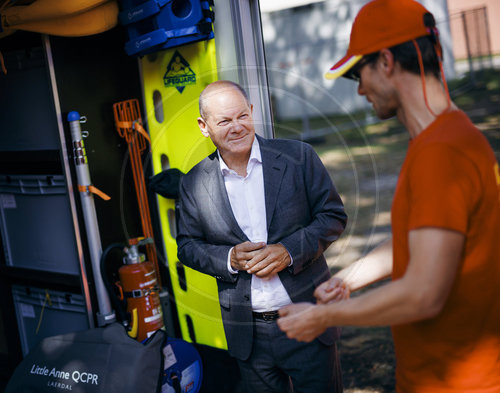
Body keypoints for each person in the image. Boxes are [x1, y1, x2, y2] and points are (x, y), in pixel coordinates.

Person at [277, 0, 500, 392]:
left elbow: (424, 293)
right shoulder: (446, 134)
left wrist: (324, 317)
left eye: (358, 74)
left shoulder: (440, 152)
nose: (360, 89)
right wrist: (349, 279)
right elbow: (419, 243)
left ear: (385, 61)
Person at [176, 80, 347, 393]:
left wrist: (289, 250)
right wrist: (229, 258)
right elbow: (186, 247)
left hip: (308, 317)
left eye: (242, 116)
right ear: (204, 126)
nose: (237, 127)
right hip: (248, 335)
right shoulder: (193, 183)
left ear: (252, 112)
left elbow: (333, 217)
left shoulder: (300, 157)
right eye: (225, 121)